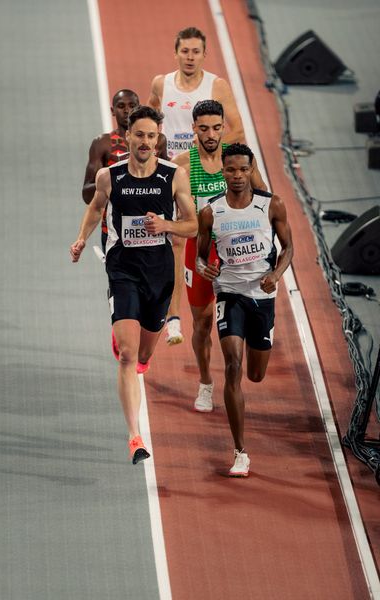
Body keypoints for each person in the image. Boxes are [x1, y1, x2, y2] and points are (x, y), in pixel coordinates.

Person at [70, 106, 197, 465]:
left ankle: (137, 349)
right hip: (122, 270)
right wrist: (81, 239)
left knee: (143, 355)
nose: (144, 142)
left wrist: (167, 227)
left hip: (159, 275)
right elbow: (96, 208)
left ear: (159, 139)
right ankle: (134, 436)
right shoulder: (110, 176)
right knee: (127, 354)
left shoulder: (175, 176)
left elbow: (193, 226)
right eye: (138, 135)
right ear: (127, 137)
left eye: (151, 136)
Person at [148, 26, 263, 345]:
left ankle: (246, 304)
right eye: (184, 51)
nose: (189, 57)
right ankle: (172, 318)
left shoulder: (217, 85)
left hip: (207, 169)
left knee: (222, 238)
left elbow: (237, 130)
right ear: (175, 52)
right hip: (173, 175)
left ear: (204, 54)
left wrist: (203, 145)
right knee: (173, 241)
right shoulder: (161, 83)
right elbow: (149, 122)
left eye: (195, 51)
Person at [196, 143, 293, 477]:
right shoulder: (211, 211)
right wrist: (203, 268)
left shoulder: (271, 205)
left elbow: (288, 247)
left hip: (262, 298)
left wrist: (276, 274)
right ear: (222, 171)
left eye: (242, 169)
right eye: (230, 169)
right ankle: (240, 451)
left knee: (255, 374)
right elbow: (200, 254)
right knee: (233, 366)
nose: (237, 176)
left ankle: (259, 345)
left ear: (251, 170)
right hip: (229, 294)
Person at [173, 100, 267, 413]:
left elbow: (266, 201)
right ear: (193, 129)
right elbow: (182, 220)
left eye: (216, 127)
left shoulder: (238, 160)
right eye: (203, 128)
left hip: (238, 250)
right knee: (202, 324)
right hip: (200, 251)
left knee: (247, 316)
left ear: (224, 126)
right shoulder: (183, 165)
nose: (211, 134)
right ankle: (205, 382)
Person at [82, 89, 167, 250]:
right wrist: (113, 180)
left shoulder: (159, 141)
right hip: (115, 229)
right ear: (112, 111)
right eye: (121, 106)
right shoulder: (103, 144)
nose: (127, 110)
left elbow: (167, 182)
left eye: (131, 105)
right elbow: (87, 194)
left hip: (150, 226)